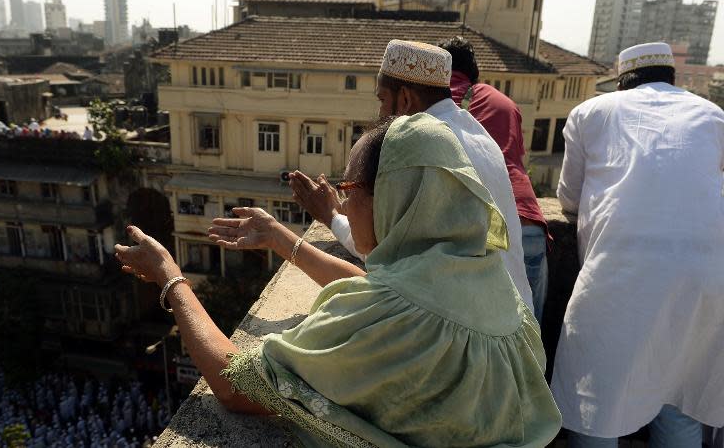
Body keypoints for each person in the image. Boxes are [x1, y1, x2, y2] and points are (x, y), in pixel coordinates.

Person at [115, 112, 561, 446]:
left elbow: (236, 384)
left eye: (348, 192)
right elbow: (372, 295)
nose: (342, 208)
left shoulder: (397, 313)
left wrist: (170, 278)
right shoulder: (489, 284)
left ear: (390, 197)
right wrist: (282, 239)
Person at [552, 42, 724, 446]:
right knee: (679, 393)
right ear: (672, 78)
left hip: (622, 270)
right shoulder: (713, 115)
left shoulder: (590, 112)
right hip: (705, 274)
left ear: (623, 81)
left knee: (592, 399)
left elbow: (568, 199)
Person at [290, 39, 534, 312]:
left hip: (470, 327)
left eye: (382, 99)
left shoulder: (423, 151)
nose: (381, 113)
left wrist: (331, 216)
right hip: (511, 317)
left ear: (405, 98)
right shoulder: (476, 132)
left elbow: (386, 252)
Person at [438, 36, 550, 323]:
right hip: (528, 225)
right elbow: (515, 161)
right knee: (529, 342)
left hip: (476, 231)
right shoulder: (505, 103)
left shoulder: (431, 103)